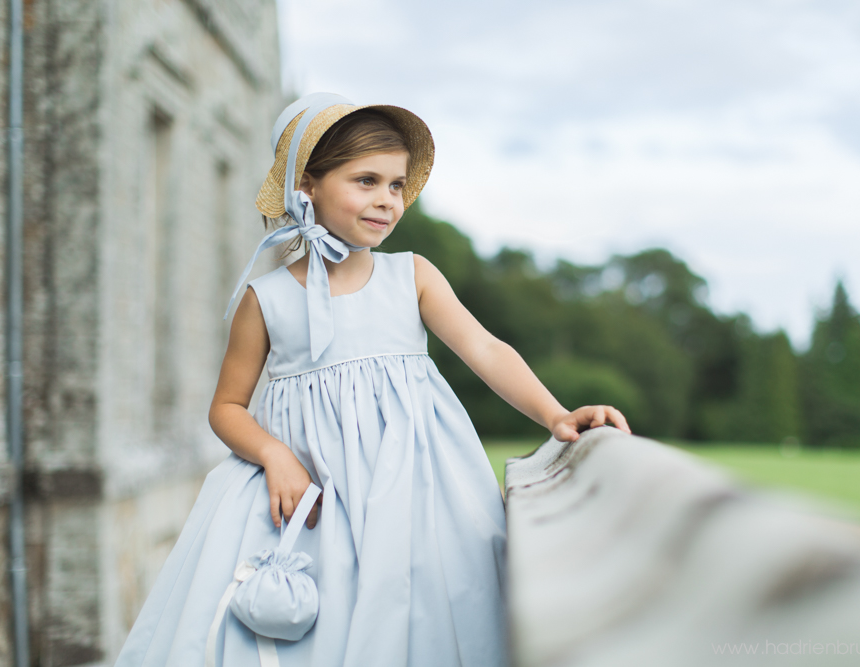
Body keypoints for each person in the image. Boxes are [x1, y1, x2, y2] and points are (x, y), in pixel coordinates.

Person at [114, 93, 630, 667]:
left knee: (424, 617)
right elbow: (227, 407)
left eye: (396, 185)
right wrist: (274, 455)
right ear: (306, 184)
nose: (387, 201)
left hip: (414, 490)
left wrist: (556, 415)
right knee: (316, 634)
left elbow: (486, 349)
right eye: (366, 181)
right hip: (315, 503)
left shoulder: (410, 275)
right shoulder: (267, 298)